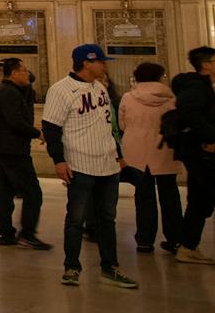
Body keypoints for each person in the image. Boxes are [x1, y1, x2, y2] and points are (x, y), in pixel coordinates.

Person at [43, 43, 136, 289]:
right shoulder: (61, 90)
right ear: (86, 62)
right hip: (80, 164)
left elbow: (109, 125)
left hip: (107, 164)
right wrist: (59, 160)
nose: (104, 66)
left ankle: (110, 266)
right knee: (76, 219)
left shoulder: (101, 89)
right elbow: (51, 128)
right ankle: (72, 266)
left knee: (108, 219)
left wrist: (118, 154)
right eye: (101, 62)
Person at [0, 58, 49, 250]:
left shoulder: (11, 91)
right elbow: (16, 121)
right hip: (10, 149)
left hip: (3, 147)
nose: (27, 74)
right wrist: (37, 133)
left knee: (5, 191)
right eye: (24, 70)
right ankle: (27, 234)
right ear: (14, 73)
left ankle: (6, 234)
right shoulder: (8, 93)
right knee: (33, 192)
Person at [119, 62, 182, 256]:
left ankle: (145, 240)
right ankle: (175, 238)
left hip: (137, 152)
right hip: (164, 150)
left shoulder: (128, 98)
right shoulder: (171, 99)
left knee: (144, 196)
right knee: (170, 196)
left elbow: (122, 125)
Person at [173, 46, 215, 265]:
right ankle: (187, 245)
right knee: (201, 199)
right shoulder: (196, 87)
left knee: (200, 200)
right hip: (201, 153)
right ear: (206, 64)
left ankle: (187, 245)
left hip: (200, 152)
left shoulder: (203, 87)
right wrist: (211, 138)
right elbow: (189, 113)